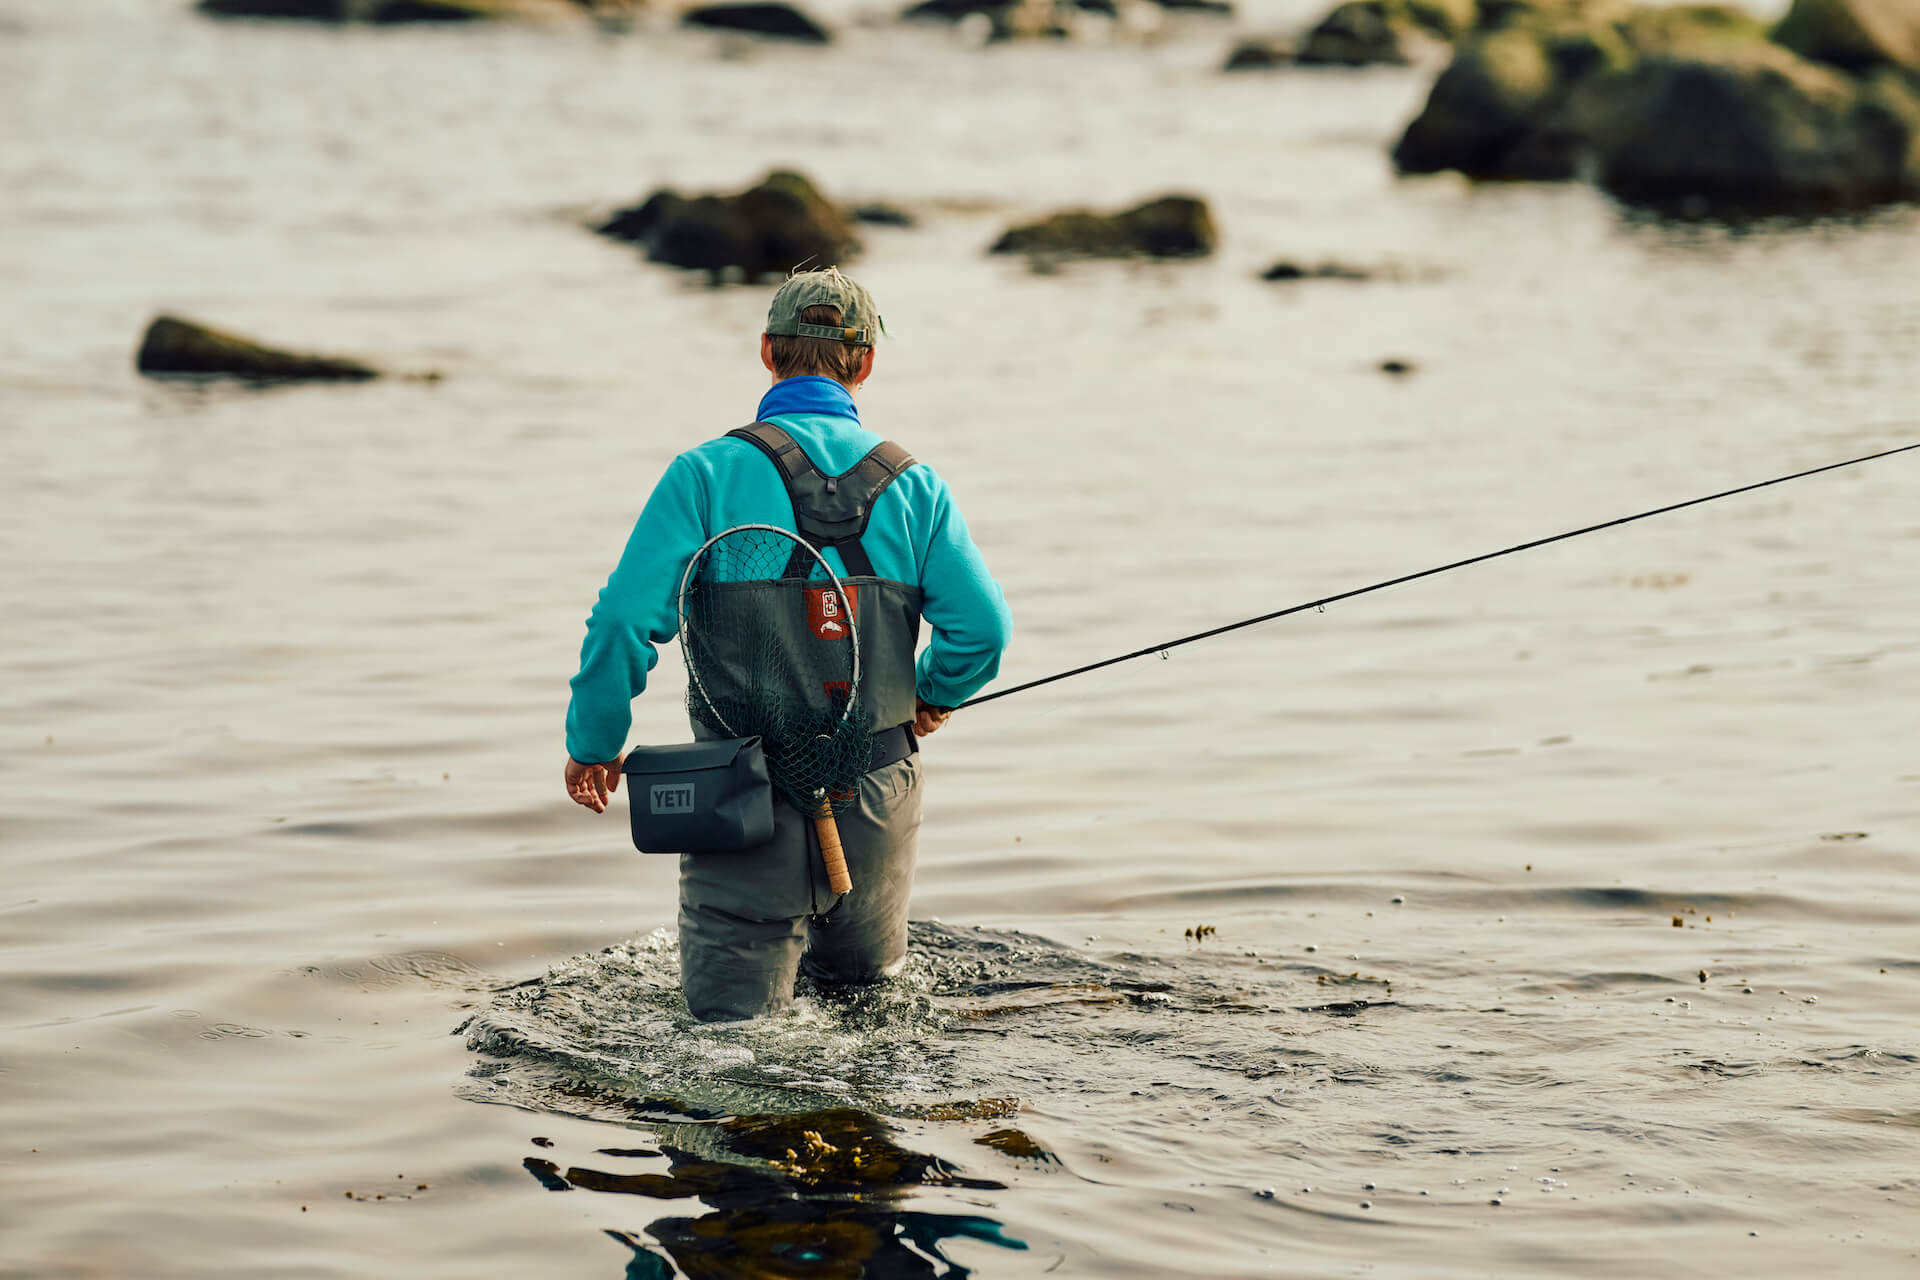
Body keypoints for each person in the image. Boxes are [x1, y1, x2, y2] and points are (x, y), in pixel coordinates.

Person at [561, 268, 1013, 1022]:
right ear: (864, 364)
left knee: (729, 1046)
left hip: (741, 800)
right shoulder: (916, 486)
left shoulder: (703, 475)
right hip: (876, 795)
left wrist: (596, 741)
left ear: (768, 352)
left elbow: (620, 626)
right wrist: (933, 694)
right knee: (869, 1030)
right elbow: (984, 631)